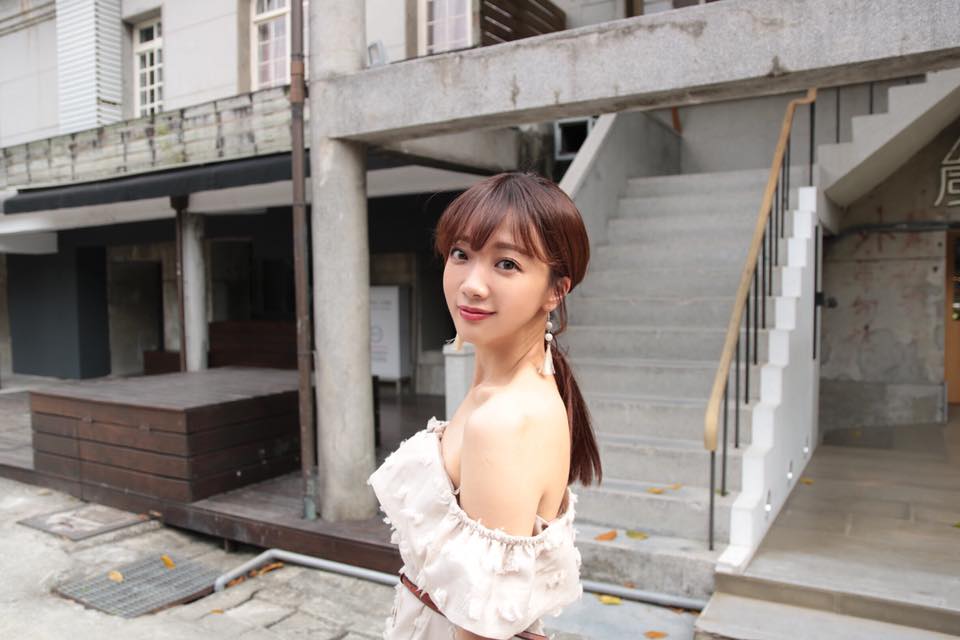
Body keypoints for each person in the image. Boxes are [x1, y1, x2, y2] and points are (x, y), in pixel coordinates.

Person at [367, 171, 603, 640]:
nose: (472, 284)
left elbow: (480, 628)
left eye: (506, 264)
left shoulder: (504, 421)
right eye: (461, 254)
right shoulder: (501, 388)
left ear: (555, 290)